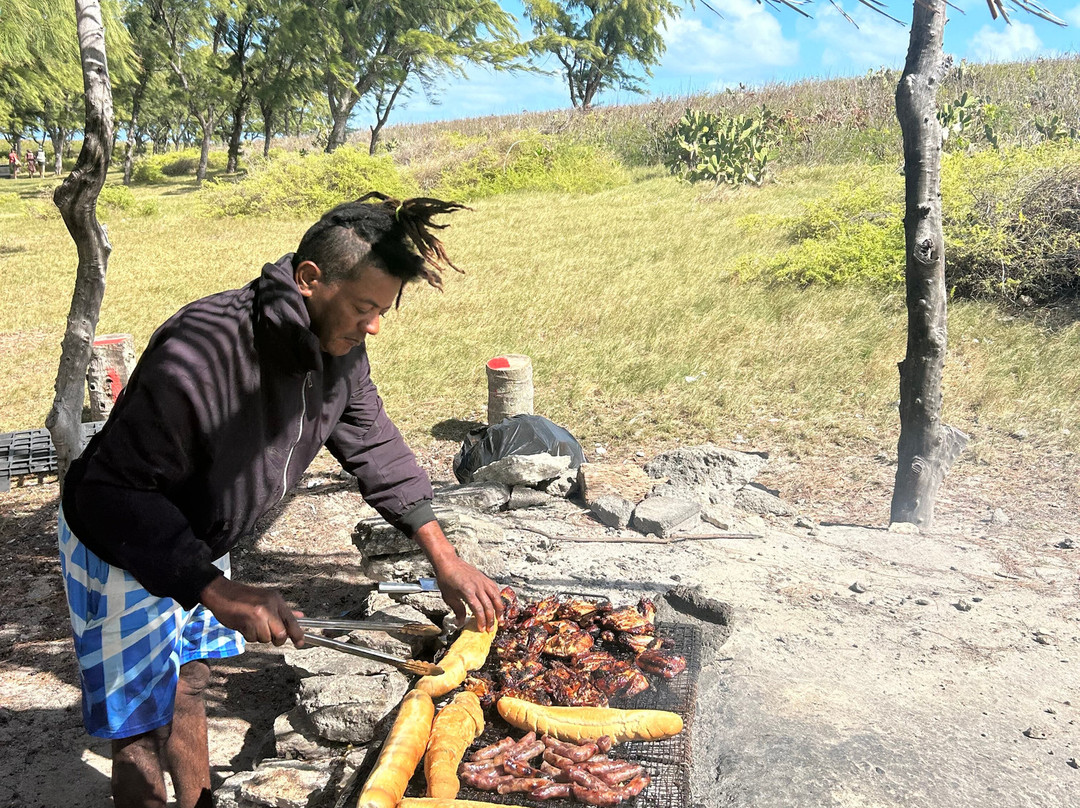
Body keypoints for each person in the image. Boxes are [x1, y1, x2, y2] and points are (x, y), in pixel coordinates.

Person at [58, 192, 505, 808]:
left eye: (382, 311)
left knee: (189, 683)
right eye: (364, 308)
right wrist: (216, 590)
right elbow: (114, 492)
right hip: (120, 540)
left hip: (197, 539)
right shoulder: (202, 350)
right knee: (139, 725)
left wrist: (443, 557)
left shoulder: (337, 348)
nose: (374, 326)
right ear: (310, 279)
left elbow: (374, 442)